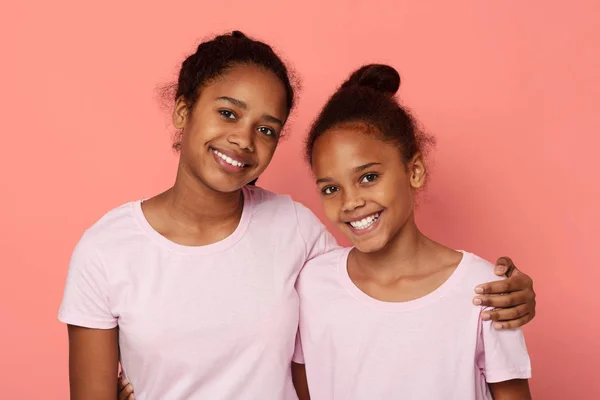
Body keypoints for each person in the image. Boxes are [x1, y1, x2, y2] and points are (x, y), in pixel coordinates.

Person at [57, 31, 535, 400]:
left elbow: (376, 293)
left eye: (267, 129)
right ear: (183, 111)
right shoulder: (106, 250)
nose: (244, 140)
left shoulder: (296, 229)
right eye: (228, 113)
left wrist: (508, 292)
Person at [291, 64, 532, 399]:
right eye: (331, 189)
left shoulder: (484, 291)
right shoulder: (312, 285)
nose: (351, 202)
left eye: (369, 177)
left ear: (414, 171)